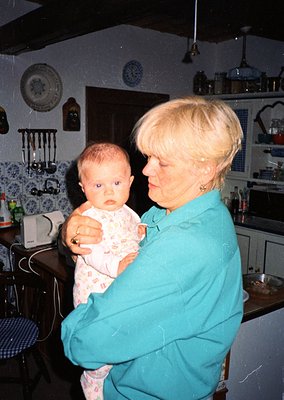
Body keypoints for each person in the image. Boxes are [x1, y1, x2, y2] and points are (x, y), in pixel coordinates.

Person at [61, 96, 244, 400]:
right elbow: (110, 236)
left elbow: (84, 343)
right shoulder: (180, 213)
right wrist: (72, 226)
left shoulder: (183, 247)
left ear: (205, 169)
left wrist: (84, 316)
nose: (146, 170)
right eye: (148, 157)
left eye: (163, 161)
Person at [73, 142, 144, 399]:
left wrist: (142, 234)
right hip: (94, 296)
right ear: (83, 188)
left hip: (120, 295)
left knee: (121, 351)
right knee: (98, 358)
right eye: (98, 185)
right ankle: (92, 391)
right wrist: (116, 266)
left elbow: (135, 237)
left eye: (116, 183)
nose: (109, 192)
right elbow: (90, 252)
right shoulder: (87, 217)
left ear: (130, 181)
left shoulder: (130, 214)